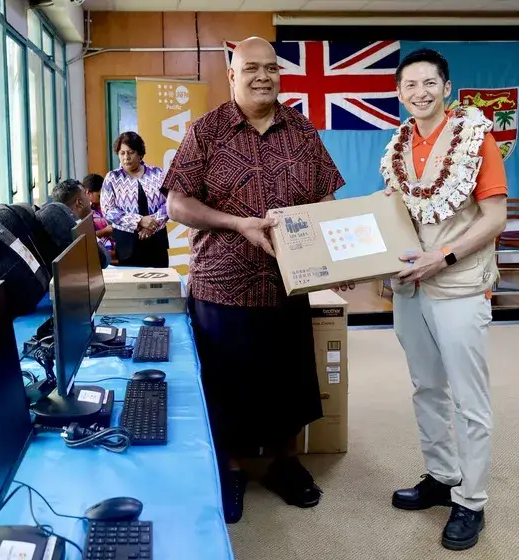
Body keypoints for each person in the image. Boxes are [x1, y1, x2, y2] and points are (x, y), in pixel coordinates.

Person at [161, 36, 345, 524]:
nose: (263, 76)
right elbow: (177, 203)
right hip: (223, 284)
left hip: (289, 282)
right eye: (251, 69)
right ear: (232, 75)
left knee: (290, 381)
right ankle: (232, 467)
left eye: (271, 68)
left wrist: (333, 253)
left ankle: (285, 464)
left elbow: (328, 197)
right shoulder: (207, 131)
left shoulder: (302, 131)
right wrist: (236, 222)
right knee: (227, 385)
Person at [382, 48, 508, 551]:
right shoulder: (395, 144)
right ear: (399, 92)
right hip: (411, 285)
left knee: (469, 398)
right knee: (425, 387)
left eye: (430, 83)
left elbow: (494, 217)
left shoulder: (478, 139)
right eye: (410, 84)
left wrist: (445, 257)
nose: (420, 92)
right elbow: (391, 218)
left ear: (447, 88)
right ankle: (440, 476)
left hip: (458, 282)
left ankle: (471, 501)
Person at [101, 132, 170, 268]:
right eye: (122, 153)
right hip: (127, 243)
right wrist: (139, 221)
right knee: (132, 285)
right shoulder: (112, 178)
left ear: (140, 154)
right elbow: (108, 210)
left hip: (157, 239)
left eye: (131, 152)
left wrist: (152, 225)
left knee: (160, 284)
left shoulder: (157, 174)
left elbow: (170, 203)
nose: (126, 158)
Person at [82, 173, 116, 262]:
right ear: (88, 193)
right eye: (99, 196)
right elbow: (83, 238)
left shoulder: (104, 206)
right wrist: (104, 232)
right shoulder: (83, 213)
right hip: (101, 257)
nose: (103, 198)